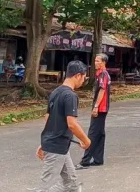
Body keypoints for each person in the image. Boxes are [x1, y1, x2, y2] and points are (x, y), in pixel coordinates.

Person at [31, 61, 91, 192]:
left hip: (58, 145)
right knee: (45, 186)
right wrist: (86, 140)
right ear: (78, 75)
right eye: (84, 77)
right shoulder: (70, 96)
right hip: (56, 147)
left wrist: (44, 141)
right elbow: (72, 124)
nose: (83, 81)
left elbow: (48, 118)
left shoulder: (55, 92)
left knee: (72, 183)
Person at [79, 53, 111, 167]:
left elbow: (102, 91)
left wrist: (96, 106)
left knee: (92, 133)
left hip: (101, 108)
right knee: (100, 133)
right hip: (103, 107)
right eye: (95, 61)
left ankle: (85, 160)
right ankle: (98, 159)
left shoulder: (103, 74)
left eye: (98, 61)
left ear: (103, 62)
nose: (95, 63)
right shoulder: (101, 74)